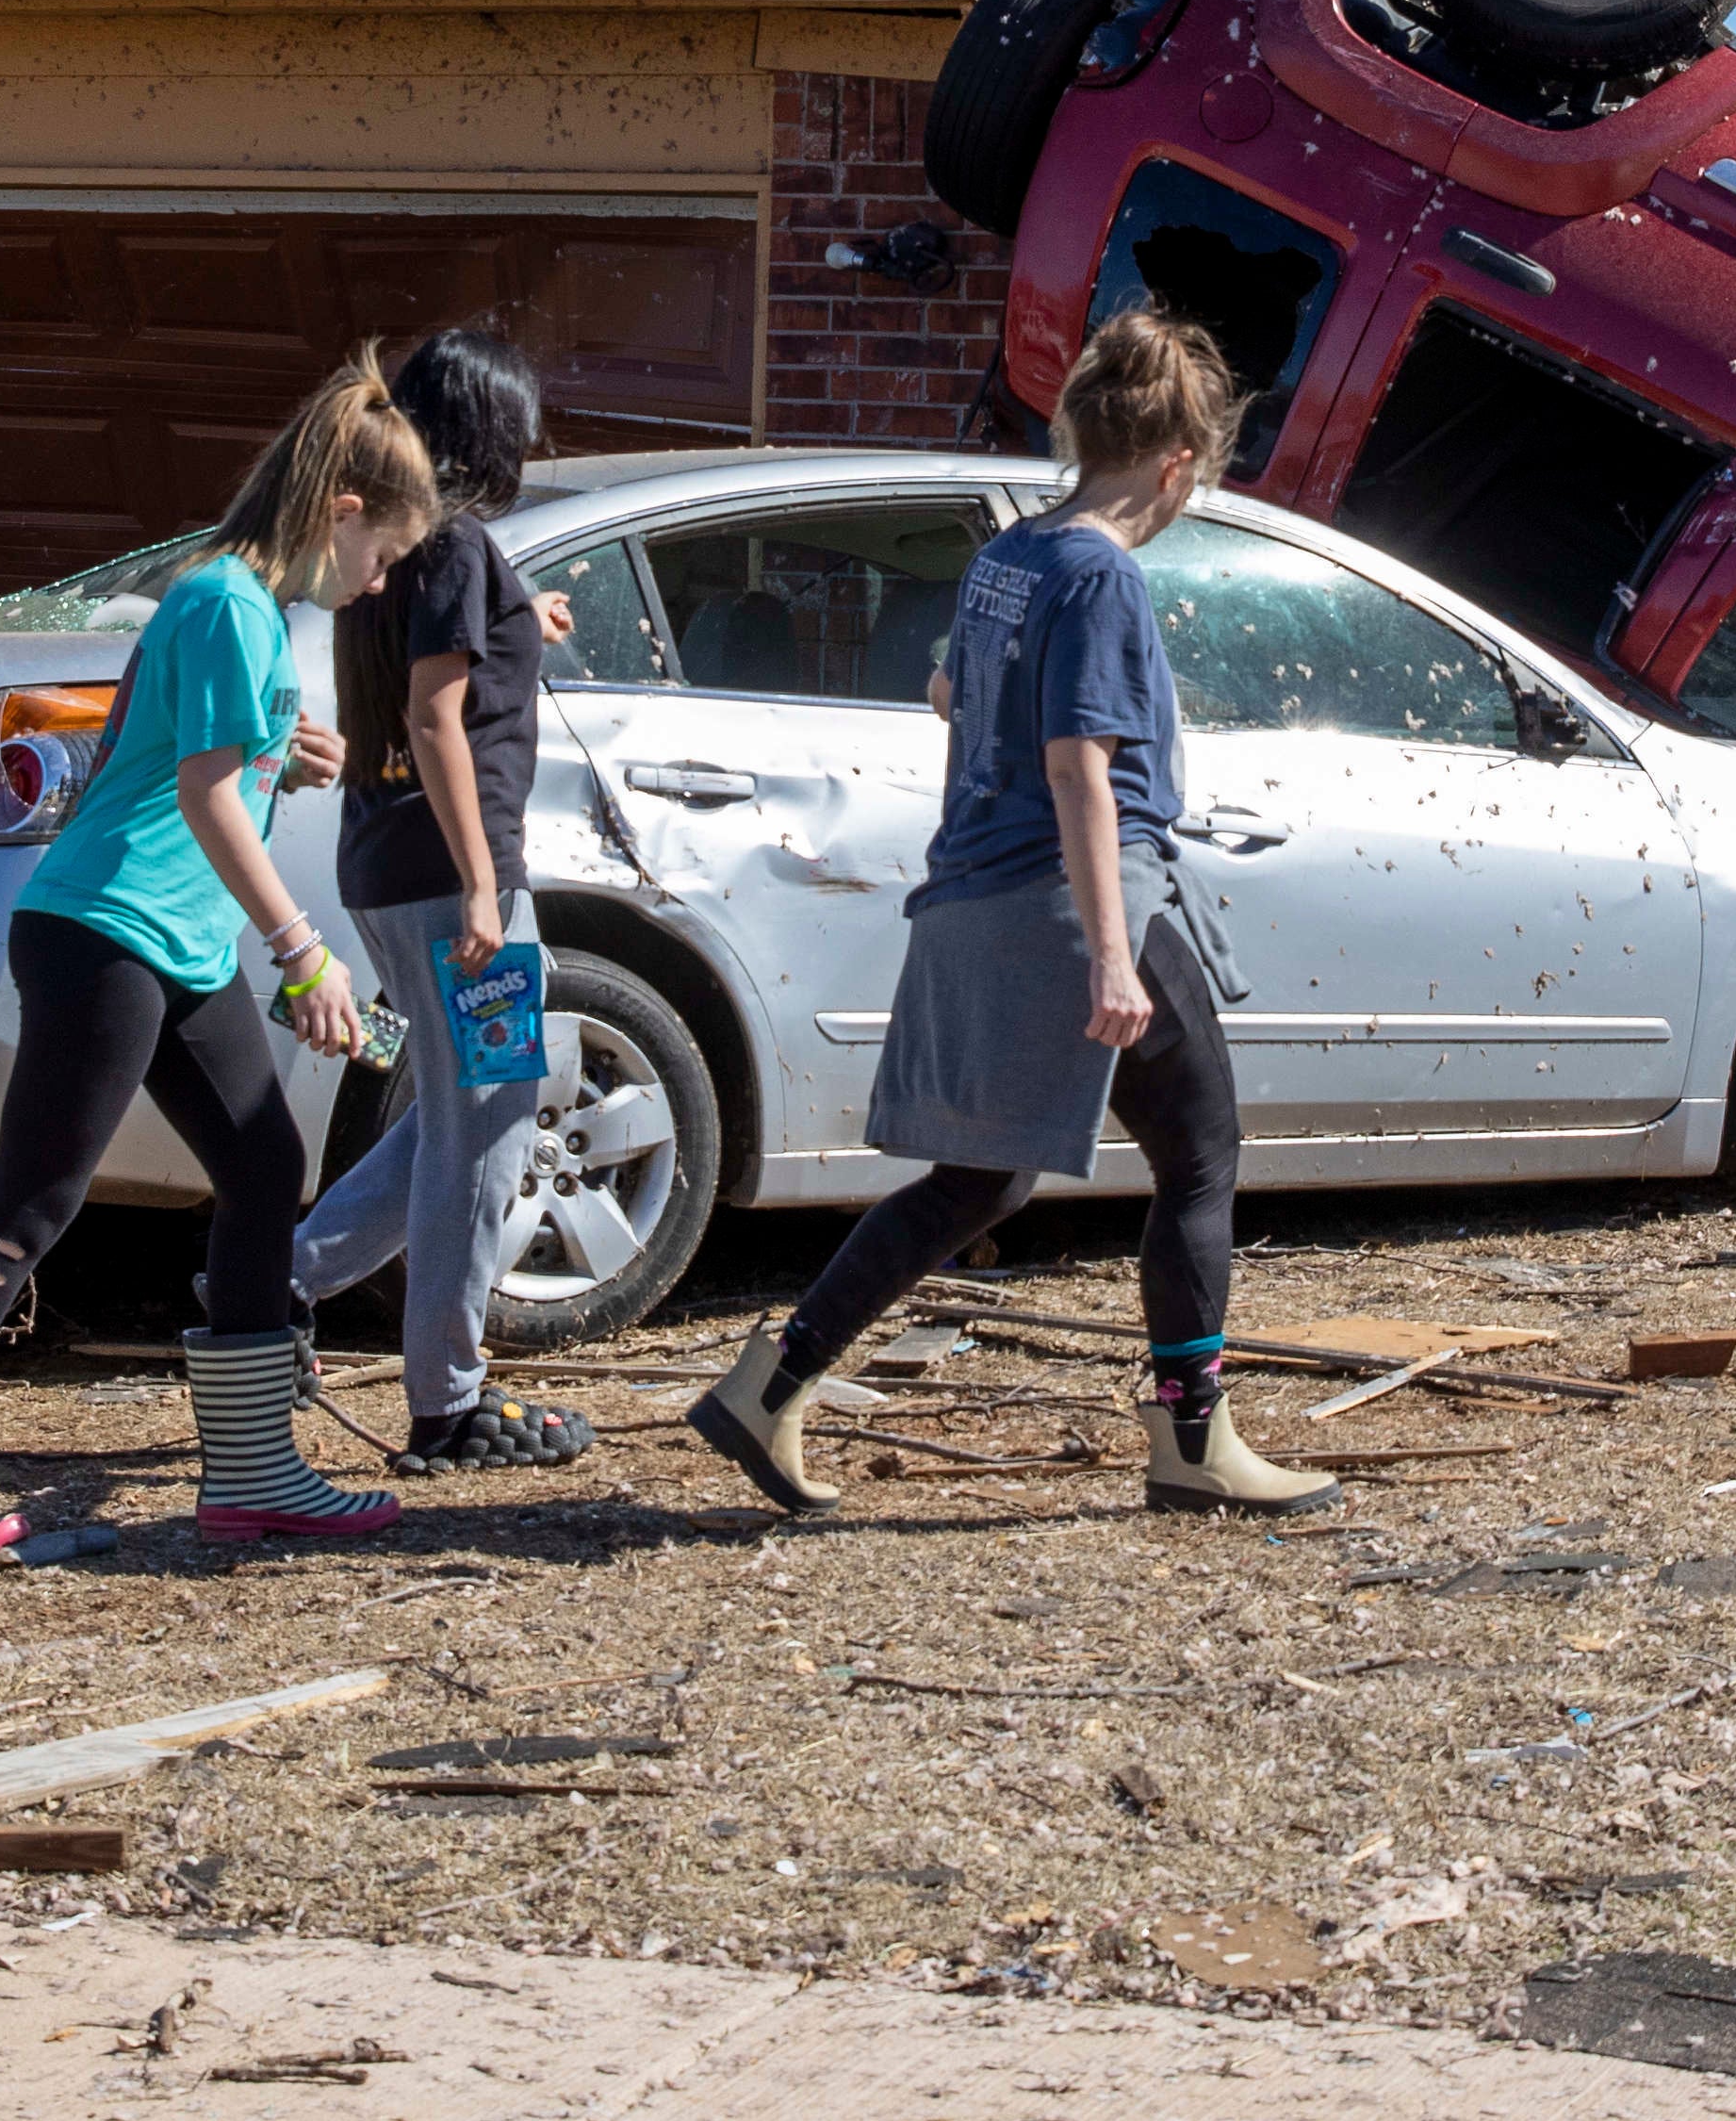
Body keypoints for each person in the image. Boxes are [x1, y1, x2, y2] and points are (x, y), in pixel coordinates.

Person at [689, 306, 1335, 1523]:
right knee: (1201, 1155)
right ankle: (1191, 1440)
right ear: (1180, 462)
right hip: (1083, 898)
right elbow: (1081, 764)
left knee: (978, 1182)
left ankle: (772, 1379)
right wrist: (1110, 957)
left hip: (980, 888)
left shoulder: (1017, 554)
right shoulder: (1101, 572)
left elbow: (947, 688)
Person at [0, 351, 436, 1568]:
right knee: (31, 1205)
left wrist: (285, 743)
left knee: (266, 1164)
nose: (377, 588)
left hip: (171, 941)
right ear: (344, 515)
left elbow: (183, 745)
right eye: (381, 560)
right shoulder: (227, 600)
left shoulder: (243, 609)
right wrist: (304, 952)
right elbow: (205, 795)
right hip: (106, 934)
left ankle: (256, 1472)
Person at [289, 322, 598, 1473]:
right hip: (453, 876)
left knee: (459, 1109)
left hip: (381, 865)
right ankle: (447, 1398)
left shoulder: (401, 545)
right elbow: (434, 717)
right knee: (500, 1106)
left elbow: (442, 662)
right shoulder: (457, 547)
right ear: (492, 430)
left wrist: (529, 618)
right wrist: (483, 884)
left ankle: (275, 1287)